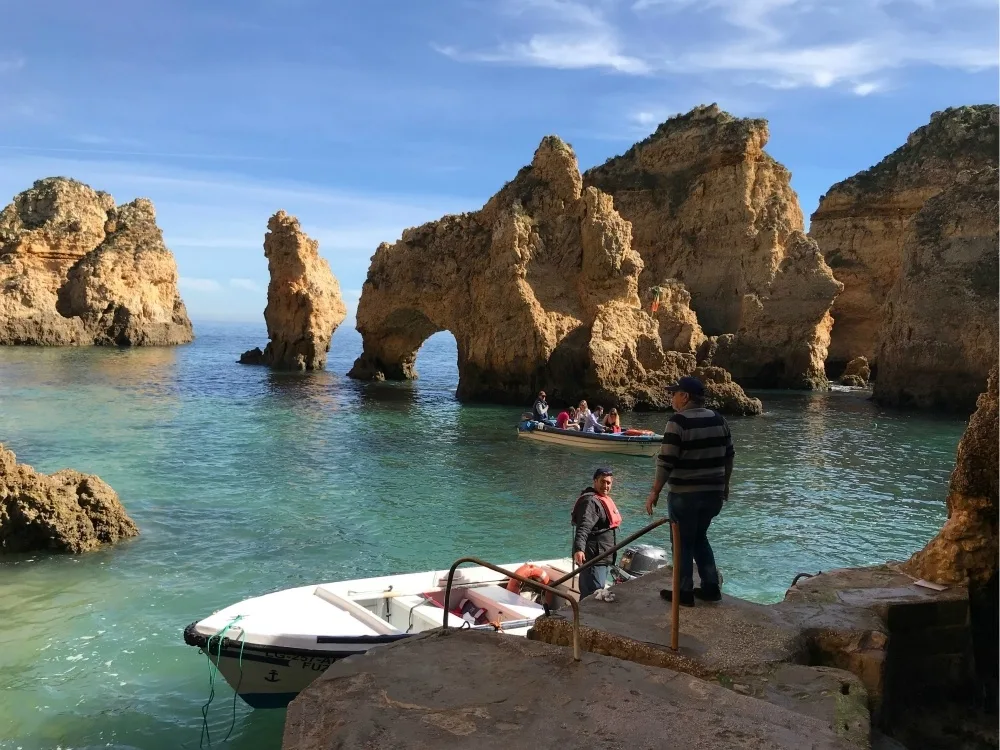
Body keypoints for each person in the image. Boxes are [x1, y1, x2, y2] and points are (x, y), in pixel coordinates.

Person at [645, 376, 734, 607]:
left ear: (685, 396)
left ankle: (683, 592)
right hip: (713, 494)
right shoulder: (719, 419)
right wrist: (725, 485)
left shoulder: (678, 421)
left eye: (674, 393)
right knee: (700, 537)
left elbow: (666, 461)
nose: (671, 397)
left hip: (685, 495)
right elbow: (729, 456)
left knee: (682, 543)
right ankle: (711, 587)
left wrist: (655, 491)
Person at [572, 467, 622, 598]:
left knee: (595, 593)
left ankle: (585, 617)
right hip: (594, 558)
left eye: (608, 483)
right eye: (602, 482)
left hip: (602, 557)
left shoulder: (601, 499)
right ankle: (585, 618)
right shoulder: (591, 502)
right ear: (595, 481)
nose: (605, 486)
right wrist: (579, 549)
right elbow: (583, 527)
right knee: (593, 595)